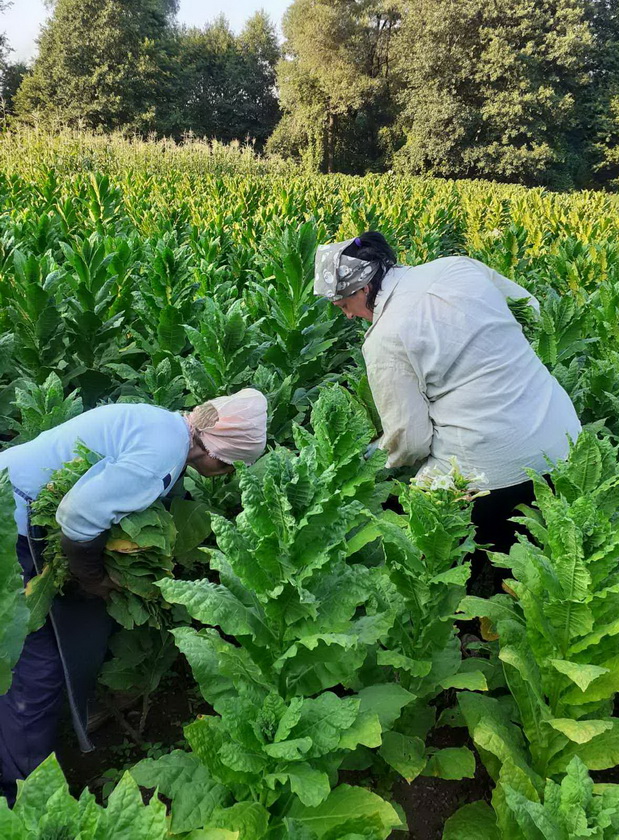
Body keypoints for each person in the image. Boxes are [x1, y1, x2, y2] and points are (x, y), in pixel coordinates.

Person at [0, 388, 267, 804]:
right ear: (216, 453)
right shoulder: (159, 460)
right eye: (232, 465)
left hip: (12, 495)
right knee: (41, 664)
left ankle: (62, 721)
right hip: (13, 524)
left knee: (59, 644)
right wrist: (91, 579)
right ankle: (23, 793)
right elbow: (77, 518)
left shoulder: (163, 425)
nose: (228, 474)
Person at [314, 232, 581, 585]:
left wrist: (371, 460)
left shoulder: (384, 338)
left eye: (343, 305)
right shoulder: (456, 267)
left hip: (491, 468)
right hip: (563, 438)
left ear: (363, 288)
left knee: (417, 526)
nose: (347, 316)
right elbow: (529, 307)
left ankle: (456, 586)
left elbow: (409, 442)